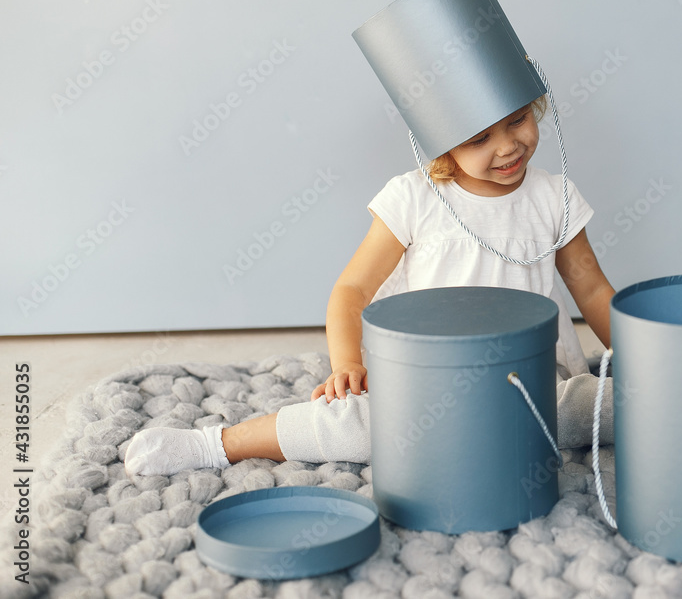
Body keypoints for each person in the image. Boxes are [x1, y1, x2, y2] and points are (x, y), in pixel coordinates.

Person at [124, 96, 616, 476]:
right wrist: (348, 364)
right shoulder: (415, 199)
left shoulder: (555, 197)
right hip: (428, 378)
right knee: (362, 426)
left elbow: (590, 289)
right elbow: (352, 291)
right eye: (479, 138)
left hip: (526, 381)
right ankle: (218, 444)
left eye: (516, 120)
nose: (508, 146)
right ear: (442, 143)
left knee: (592, 407)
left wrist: (642, 352)